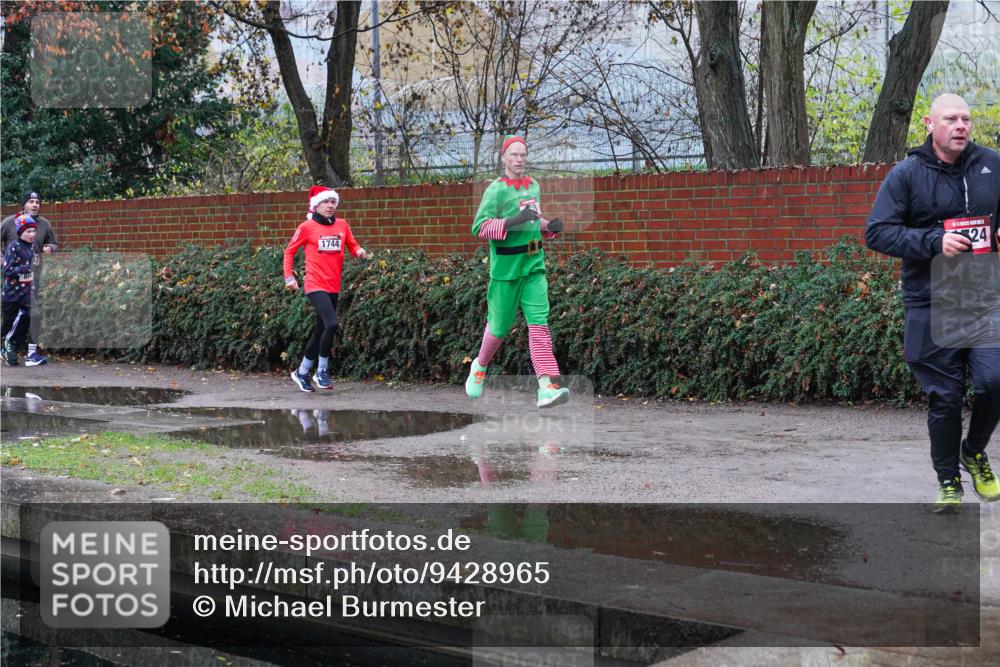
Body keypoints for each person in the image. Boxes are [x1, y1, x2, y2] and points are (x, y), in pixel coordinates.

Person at [866, 93, 1000, 512]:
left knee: (995, 380)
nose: (961, 126)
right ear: (929, 123)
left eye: (966, 119)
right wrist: (934, 241)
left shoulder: (992, 165)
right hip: (931, 299)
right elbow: (877, 232)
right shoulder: (906, 175)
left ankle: (972, 451)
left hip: (982, 294)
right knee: (945, 396)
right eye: (951, 119)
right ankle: (948, 482)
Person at [465, 135, 570, 408]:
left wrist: (548, 226)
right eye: (514, 154)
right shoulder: (496, 190)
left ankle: (547, 387)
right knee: (499, 328)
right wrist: (512, 221)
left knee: (539, 326)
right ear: (504, 157)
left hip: (533, 267)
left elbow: (532, 222)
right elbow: (480, 228)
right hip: (506, 272)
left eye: (523, 154)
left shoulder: (533, 186)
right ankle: (480, 366)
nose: (519, 159)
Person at [283, 185, 371, 392]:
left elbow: (352, 245)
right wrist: (289, 277)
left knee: (321, 330)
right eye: (325, 202)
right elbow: (289, 252)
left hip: (334, 284)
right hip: (315, 284)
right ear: (316, 205)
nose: (330, 205)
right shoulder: (306, 227)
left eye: (333, 202)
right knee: (331, 324)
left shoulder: (342, 225)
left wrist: (359, 252)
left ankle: (302, 371)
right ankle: (322, 370)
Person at [1, 190, 58, 366]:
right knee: (11, 318)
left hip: (32, 280)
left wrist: (50, 248)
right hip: (12, 283)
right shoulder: (10, 223)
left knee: (32, 315)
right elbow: (9, 268)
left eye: (37, 202)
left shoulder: (44, 224)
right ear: (24, 204)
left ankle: (30, 353)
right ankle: (8, 346)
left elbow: (53, 242)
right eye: (31, 201)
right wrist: (3, 261)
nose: (35, 205)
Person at [2, 215, 37, 366]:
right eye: (28, 231)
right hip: (11, 293)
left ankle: (11, 344)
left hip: (27, 292)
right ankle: (6, 347)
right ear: (20, 232)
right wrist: (26, 268)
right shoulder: (13, 247)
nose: (32, 234)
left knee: (32, 316)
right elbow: (7, 271)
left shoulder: (33, 246)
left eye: (34, 231)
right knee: (8, 323)